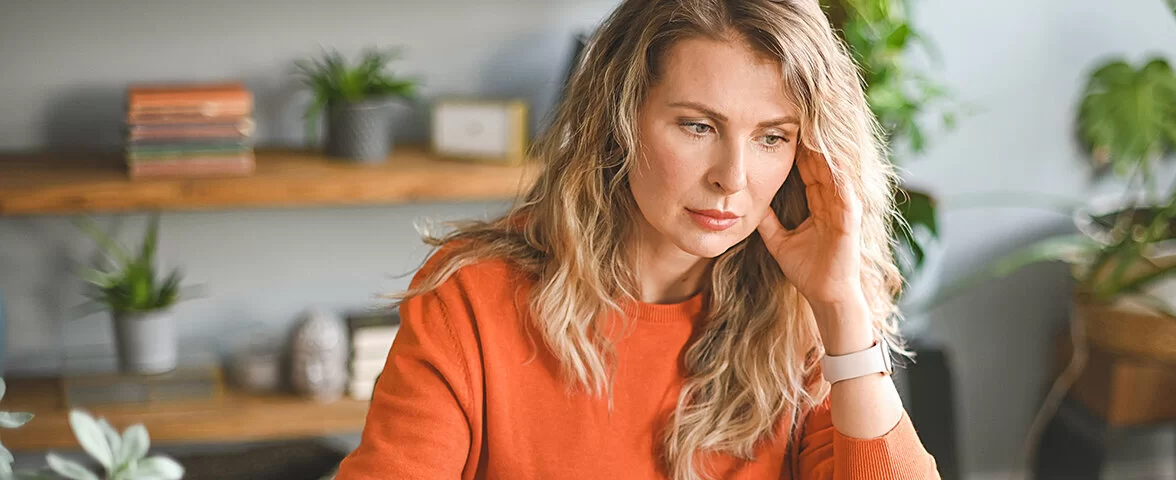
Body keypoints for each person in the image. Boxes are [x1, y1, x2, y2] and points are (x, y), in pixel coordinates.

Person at [334, 0, 940, 478]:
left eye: (772, 137)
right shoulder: (471, 301)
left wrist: (840, 306)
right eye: (698, 126)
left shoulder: (804, 315)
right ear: (619, 122)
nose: (731, 177)